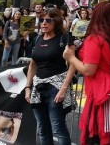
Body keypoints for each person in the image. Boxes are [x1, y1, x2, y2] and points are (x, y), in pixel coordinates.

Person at [63, 2, 110, 145]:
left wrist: (71, 57)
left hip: (99, 91)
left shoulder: (95, 38)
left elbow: (88, 70)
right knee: (102, 130)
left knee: (95, 132)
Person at [25, 9, 75, 145]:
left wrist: (64, 88)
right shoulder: (37, 39)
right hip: (38, 87)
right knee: (42, 128)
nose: (44, 23)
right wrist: (27, 88)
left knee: (58, 128)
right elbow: (32, 66)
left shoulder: (64, 38)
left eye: (48, 20)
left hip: (56, 87)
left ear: (56, 21)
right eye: (41, 20)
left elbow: (73, 65)